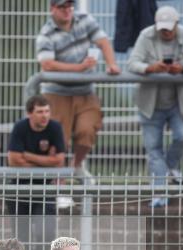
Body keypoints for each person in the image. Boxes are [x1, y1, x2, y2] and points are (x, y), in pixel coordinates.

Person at [127, 5, 183, 208]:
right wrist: (150, 68)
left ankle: (169, 167)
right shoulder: (145, 36)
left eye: (169, 28)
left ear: (177, 24)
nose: (165, 32)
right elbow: (132, 63)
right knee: (153, 149)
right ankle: (160, 195)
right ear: (156, 25)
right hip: (150, 104)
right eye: (162, 28)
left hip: (178, 102)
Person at [36, 0, 121, 173]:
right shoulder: (46, 34)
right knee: (58, 141)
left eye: (70, 6)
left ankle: (74, 168)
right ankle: (58, 184)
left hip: (85, 91)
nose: (67, 10)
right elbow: (47, 65)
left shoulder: (85, 19)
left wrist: (111, 64)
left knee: (87, 131)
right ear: (53, 9)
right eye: (62, 7)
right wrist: (80, 68)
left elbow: (103, 41)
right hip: (57, 94)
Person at [7, 95, 66, 250]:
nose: (44, 116)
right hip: (19, 189)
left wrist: (29, 156)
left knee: (47, 234)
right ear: (30, 114)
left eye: (47, 111)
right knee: (21, 237)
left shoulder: (55, 128)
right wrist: (46, 162)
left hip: (44, 190)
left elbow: (59, 160)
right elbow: (14, 160)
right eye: (40, 112)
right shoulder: (20, 128)